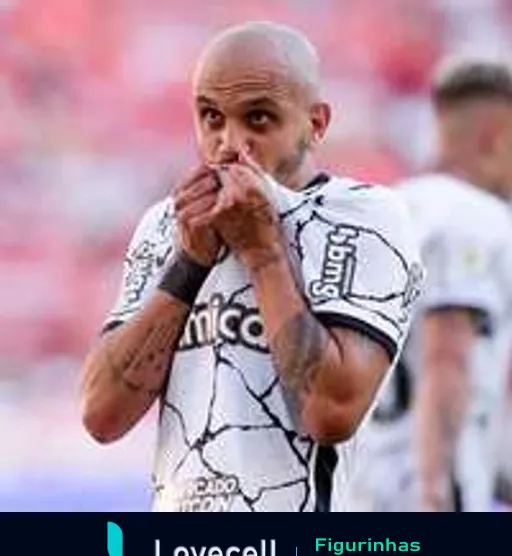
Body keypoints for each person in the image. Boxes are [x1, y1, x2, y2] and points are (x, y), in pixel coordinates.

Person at [79, 21, 423, 512]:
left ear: (316, 124)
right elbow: (102, 415)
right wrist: (190, 262)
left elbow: (331, 411)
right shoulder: (165, 225)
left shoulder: (361, 216)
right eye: (211, 117)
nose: (228, 144)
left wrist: (262, 252)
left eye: (258, 119)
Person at [347, 57, 512, 512]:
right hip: (422, 498)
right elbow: (445, 359)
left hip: (354, 491)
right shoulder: (474, 218)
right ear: (497, 139)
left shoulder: (379, 214)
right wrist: (435, 493)